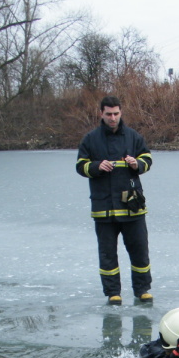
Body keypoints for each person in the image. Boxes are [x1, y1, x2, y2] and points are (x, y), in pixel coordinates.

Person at [76, 95, 154, 306]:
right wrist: (95, 167)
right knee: (108, 255)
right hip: (104, 209)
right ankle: (113, 293)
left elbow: (147, 159)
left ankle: (142, 289)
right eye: (109, 114)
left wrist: (137, 163)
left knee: (139, 252)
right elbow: (80, 166)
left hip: (132, 208)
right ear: (101, 113)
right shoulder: (90, 139)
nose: (113, 118)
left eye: (116, 114)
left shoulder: (133, 137)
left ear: (121, 112)